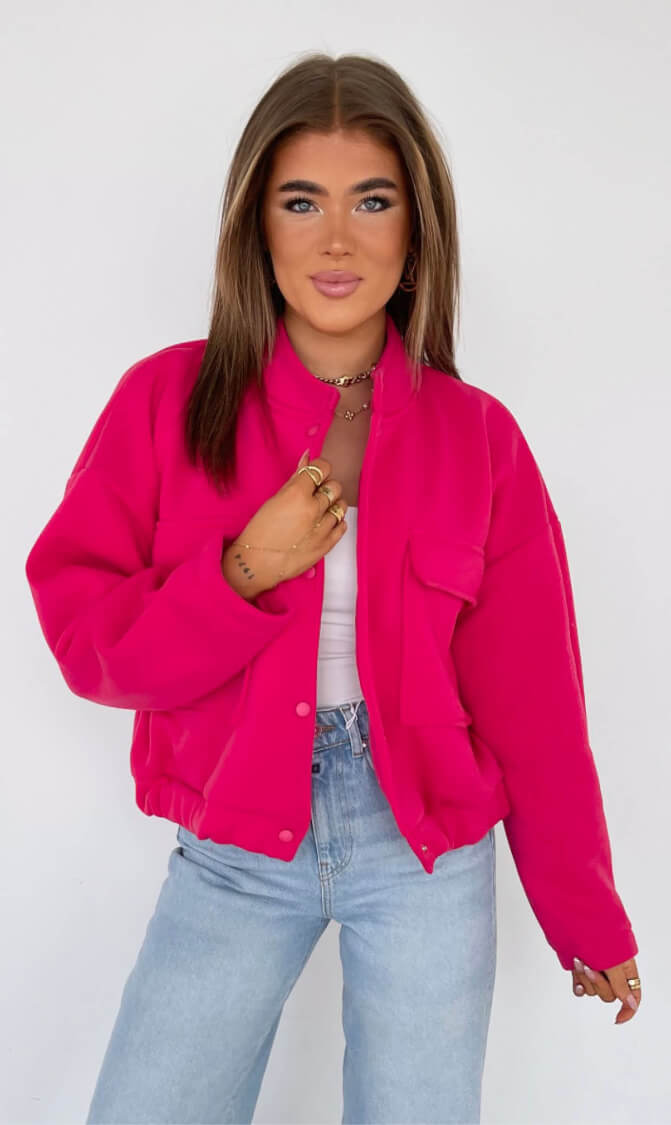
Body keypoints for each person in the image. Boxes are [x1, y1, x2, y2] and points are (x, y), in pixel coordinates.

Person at [24, 52, 640, 1125]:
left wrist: (584, 916)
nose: (337, 240)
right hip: (231, 846)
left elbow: (535, 709)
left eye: (373, 201)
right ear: (256, 228)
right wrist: (242, 571)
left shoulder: (479, 440)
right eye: (301, 202)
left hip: (425, 855)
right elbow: (87, 642)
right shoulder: (166, 401)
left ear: (416, 232)